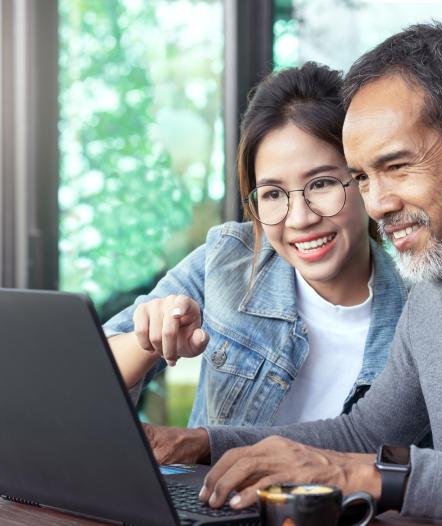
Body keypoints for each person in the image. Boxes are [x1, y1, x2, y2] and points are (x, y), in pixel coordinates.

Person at [143, 23, 442, 525]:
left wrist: (358, 475)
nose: (377, 205)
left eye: (396, 167)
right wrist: (201, 443)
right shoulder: (434, 295)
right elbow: (364, 434)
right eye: (361, 178)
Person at [103, 62, 407, 429]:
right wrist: (148, 340)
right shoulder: (228, 260)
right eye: (273, 194)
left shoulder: (416, 314)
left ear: (363, 179)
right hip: (214, 488)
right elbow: (86, 381)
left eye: (322, 184)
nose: (299, 219)